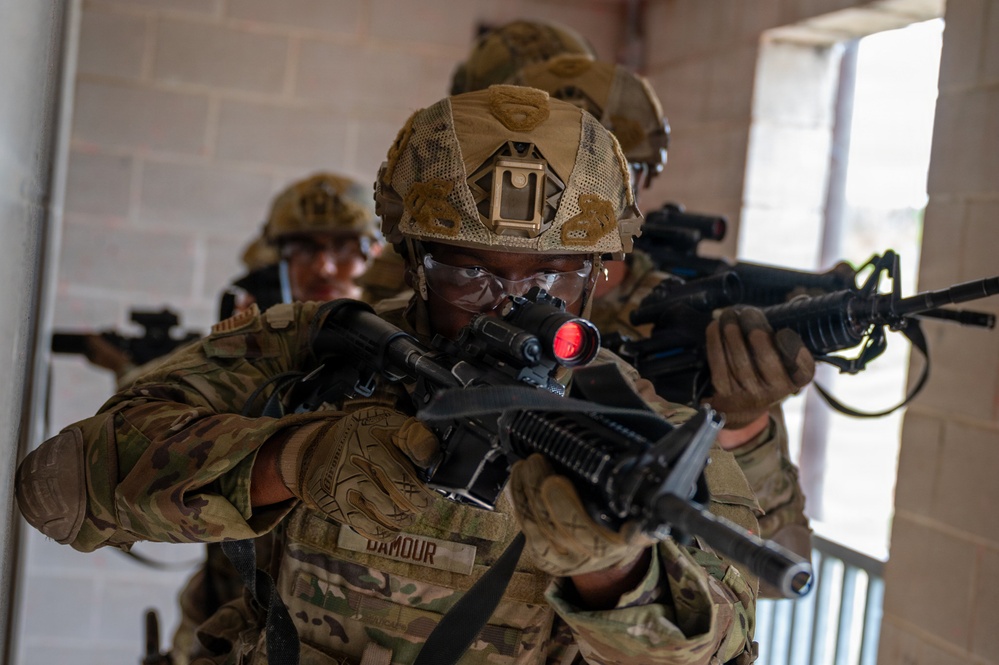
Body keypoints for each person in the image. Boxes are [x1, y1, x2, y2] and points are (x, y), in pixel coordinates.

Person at [13, 86, 802, 664]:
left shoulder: (647, 431)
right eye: (469, 273)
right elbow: (56, 487)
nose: (512, 307)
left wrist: (610, 567)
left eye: (551, 278)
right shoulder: (314, 346)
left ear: (603, 270)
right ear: (410, 258)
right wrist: (297, 459)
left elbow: (717, 648)